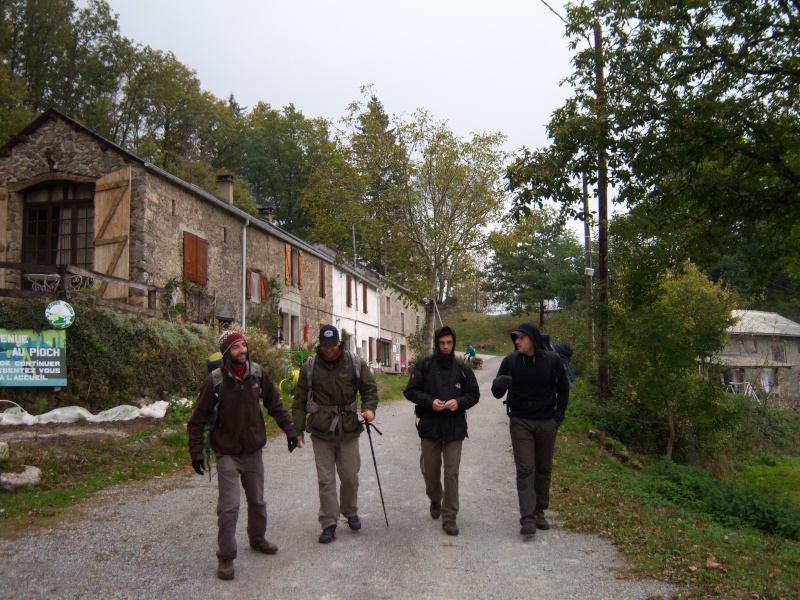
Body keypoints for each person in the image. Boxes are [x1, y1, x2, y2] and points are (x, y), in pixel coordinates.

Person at [188, 330, 301, 581]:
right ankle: (226, 557)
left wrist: (290, 432)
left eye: (244, 345)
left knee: (258, 501)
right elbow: (196, 421)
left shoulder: (257, 373)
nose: (243, 350)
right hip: (227, 454)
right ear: (227, 352)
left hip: (253, 452)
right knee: (229, 507)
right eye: (236, 347)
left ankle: (258, 539)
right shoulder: (215, 381)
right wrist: (196, 453)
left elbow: (275, 405)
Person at [292, 325, 379, 544]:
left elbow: (369, 389)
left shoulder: (355, 363)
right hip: (321, 430)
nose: (329, 350)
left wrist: (369, 408)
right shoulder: (310, 367)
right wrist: (297, 430)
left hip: (348, 429)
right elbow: (300, 399)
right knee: (325, 479)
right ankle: (329, 522)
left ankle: (350, 511)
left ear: (339, 343)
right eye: (325, 346)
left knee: (350, 476)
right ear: (319, 344)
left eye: (332, 345)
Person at [491, 321, 569, 538]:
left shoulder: (551, 360)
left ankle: (539, 511)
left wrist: (558, 418)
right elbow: (496, 392)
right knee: (526, 469)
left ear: (532, 339)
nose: (517, 341)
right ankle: (527, 518)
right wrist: (500, 383)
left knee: (543, 469)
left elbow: (564, 389)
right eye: (515, 338)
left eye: (521, 338)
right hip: (521, 422)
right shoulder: (511, 361)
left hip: (546, 422)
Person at [404, 326, 480, 536]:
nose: (445, 347)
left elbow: (474, 394)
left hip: (454, 428)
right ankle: (435, 498)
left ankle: (450, 516)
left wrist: (459, 402)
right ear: (437, 344)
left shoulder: (462, 368)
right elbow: (410, 391)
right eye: (442, 343)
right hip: (430, 427)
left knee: (452, 472)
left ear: (454, 343)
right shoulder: (425, 365)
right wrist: (430, 402)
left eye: (449, 343)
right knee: (430, 472)